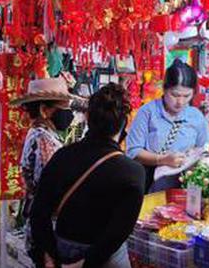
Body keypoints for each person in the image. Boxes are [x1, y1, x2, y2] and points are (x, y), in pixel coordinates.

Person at [31, 83, 145, 268]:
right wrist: (84, 264)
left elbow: (39, 213)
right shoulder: (133, 172)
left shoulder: (62, 156)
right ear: (125, 123)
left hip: (63, 250)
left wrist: (50, 256)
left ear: (87, 116)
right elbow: (117, 235)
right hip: (105, 259)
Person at [12, 77, 76, 266]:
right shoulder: (43, 140)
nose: (69, 114)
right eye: (63, 109)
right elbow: (48, 193)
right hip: (46, 229)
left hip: (41, 226)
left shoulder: (41, 135)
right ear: (44, 111)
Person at [126, 59, 209, 192]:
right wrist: (163, 159)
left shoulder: (196, 116)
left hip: (184, 186)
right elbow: (133, 151)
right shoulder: (148, 112)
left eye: (186, 96)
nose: (180, 102)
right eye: (175, 95)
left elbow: (202, 149)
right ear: (164, 89)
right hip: (148, 183)